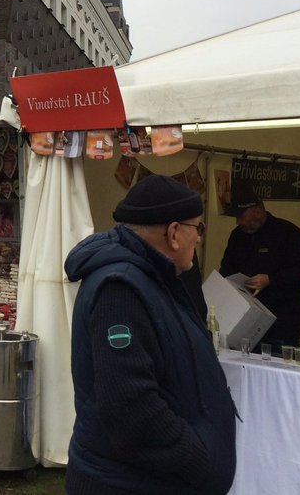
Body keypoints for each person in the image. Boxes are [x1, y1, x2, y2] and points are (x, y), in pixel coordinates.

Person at [64, 175, 237, 494]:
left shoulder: (157, 279)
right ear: (173, 233)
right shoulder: (121, 289)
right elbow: (130, 408)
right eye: (197, 228)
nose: (198, 239)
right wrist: (199, 461)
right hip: (127, 483)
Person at [219, 185, 300, 352]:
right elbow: (226, 270)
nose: (238, 222)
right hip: (246, 317)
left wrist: (270, 280)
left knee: (279, 365)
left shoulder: (286, 232)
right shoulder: (237, 236)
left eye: (241, 216)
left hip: (282, 318)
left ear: (257, 211)